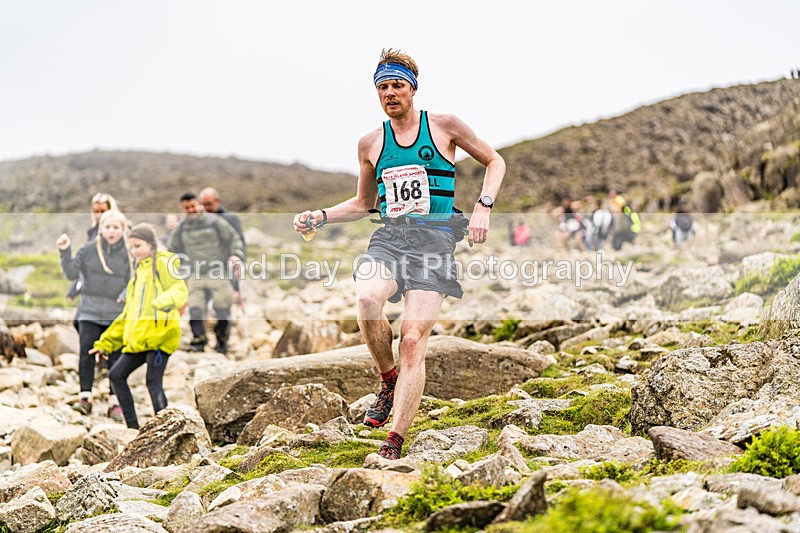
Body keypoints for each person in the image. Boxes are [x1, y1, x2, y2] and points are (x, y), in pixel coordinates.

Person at [293, 49, 505, 460]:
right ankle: (388, 379)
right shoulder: (370, 143)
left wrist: (483, 207)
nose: (390, 93)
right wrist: (321, 215)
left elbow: (495, 161)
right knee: (367, 299)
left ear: (412, 89)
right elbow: (363, 203)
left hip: (435, 242)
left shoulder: (444, 126)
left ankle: (394, 439)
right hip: (391, 237)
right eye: (383, 87)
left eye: (397, 85)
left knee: (411, 340)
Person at [90, 224, 188, 429]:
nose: (134, 251)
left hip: (160, 337)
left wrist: (162, 301)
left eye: (138, 246)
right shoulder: (137, 274)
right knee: (116, 375)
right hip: (140, 339)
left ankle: (167, 430)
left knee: (153, 382)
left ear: (151, 244)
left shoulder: (163, 263)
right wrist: (105, 343)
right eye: (131, 247)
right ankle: (132, 428)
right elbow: (127, 316)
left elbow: (179, 290)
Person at [57, 209, 132, 421]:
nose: (111, 231)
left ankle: (114, 402)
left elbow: (135, 278)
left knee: (116, 357)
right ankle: (85, 398)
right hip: (89, 310)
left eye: (116, 227)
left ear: (123, 229)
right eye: (107, 227)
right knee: (86, 353)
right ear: (101, 229)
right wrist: (65, 251)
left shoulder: (129, 253)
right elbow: (72, 273)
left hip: (116, 313)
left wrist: (125, 294)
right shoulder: (89, 249)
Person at [168, 193, 245, 354]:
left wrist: (235, 255)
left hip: (217, 272)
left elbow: (234, 239)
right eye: (187, 208)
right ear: (183, 209)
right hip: (195, 274)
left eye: (193, 206)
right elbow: (172, 250)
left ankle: (222, 342)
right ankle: (199, 341)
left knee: (222, 308)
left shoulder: (215, 222)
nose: (191, 210)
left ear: (199, 205)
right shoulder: (181, 228)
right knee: (195, 309)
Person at [65, 193, 120, 303]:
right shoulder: (92, 234)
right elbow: (85, 264)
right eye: (96, 211)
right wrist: (73, 289)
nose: (99, 215)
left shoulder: (120, 233)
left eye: (103, 211)